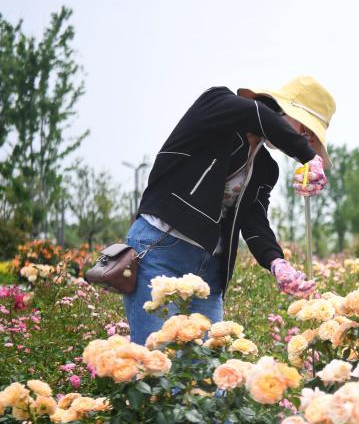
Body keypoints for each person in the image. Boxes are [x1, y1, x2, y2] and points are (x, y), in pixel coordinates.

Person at [124, 76, 334, 345]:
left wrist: (277, 263)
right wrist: (308, 155)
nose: (302, 139)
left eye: (310, 138)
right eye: (304, 130)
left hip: (209, 269)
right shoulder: (217, 105)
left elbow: (254, 221)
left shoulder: (266, 167)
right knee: (153, 359)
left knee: (212, 371)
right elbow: (257, 113)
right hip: (160, 249)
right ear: (283, 110)